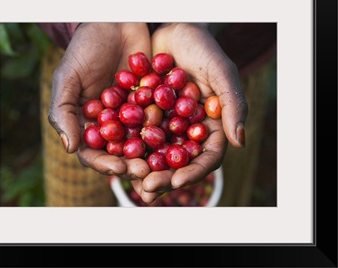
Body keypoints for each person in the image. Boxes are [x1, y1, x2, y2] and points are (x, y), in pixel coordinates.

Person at [38, 22, 251, 205]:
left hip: (233, 46)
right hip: (86, 62)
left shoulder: (164, 111)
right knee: (75, 191)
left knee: (234, 180)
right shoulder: (124, 109)